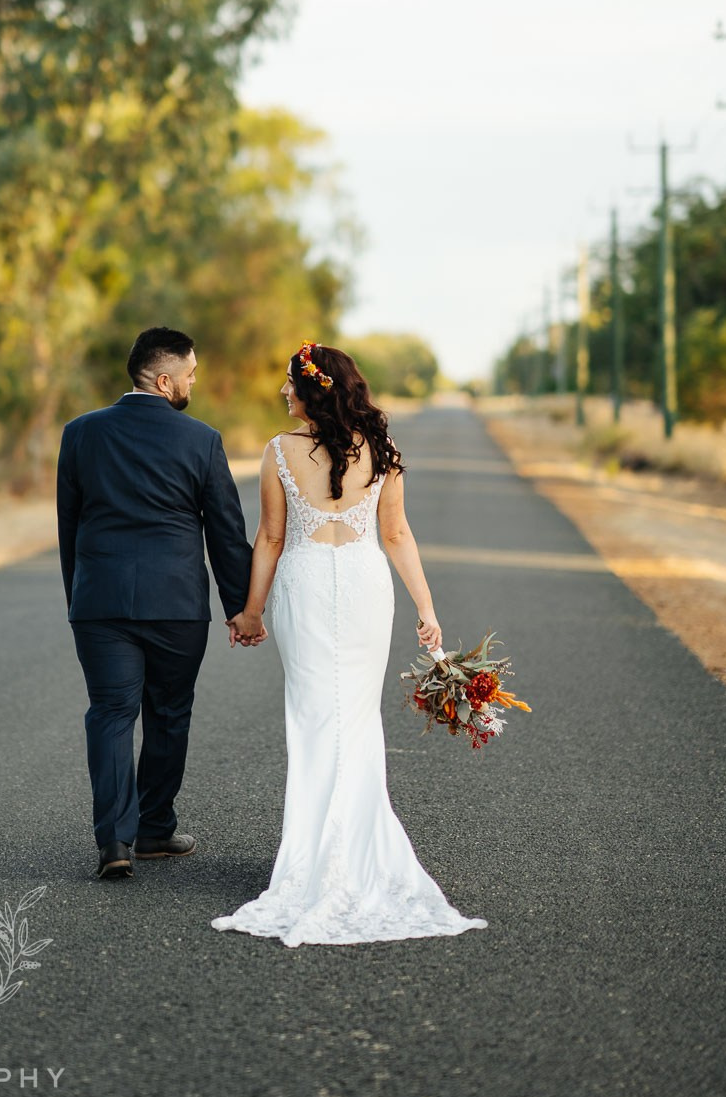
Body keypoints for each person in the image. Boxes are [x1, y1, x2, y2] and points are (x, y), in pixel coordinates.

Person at [212, 342, 487, 945]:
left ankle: (314, 856)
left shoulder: (280, 452)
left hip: (306, 588)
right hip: (365, 588)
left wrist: (250, 611)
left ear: (313, 390)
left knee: (314, 717)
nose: (284, 394)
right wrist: (425, 607)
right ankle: (355, 850)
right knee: (355, 718)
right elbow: (396, 533)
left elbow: (269, 538)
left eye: (290, 385)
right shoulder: (381, 451)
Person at [57, 327, 259, 880]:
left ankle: (115, 844)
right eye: (190, 373)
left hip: (100, 603)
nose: (195, 381)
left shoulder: (80, 434)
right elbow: (224, 531)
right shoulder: (201, 440)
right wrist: (241, 606)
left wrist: (81, 596)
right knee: (168, 714)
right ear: (164, 378)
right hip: (176, 605)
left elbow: (69, 528)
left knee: (110, 714)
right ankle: (154, 828)